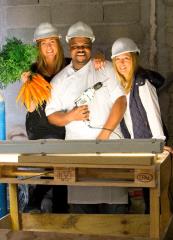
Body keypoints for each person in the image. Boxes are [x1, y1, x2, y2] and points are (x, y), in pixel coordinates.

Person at [45, 21, 128, 213]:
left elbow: (121, 101)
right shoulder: (59, 81)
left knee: (116, 209)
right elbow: (51, 114)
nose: (80, 50)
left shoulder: (105, 68)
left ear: (91, 46)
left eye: (84, 46)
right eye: (75, 46)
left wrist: (105, 134)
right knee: (81, 214)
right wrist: (70, 117)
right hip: (78, 152)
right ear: (69, 47)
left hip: (110, 148)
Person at [111, 37, 167, 213]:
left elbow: (153, 114)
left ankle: (156, 225)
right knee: (143, 187)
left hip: (150, 143)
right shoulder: (120, 85)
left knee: (154, 190)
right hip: (135, 145)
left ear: (134, 59)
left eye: (126, 58)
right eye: (118, 59)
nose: (122, 63)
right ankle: (147, 220)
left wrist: (160, 145)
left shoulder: (142, 83)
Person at [20, 22, 68, 213]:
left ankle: (37, 203)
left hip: (62, 125)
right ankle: (57, 211)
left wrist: (98, 58)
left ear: (58, 43)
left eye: (52, 42)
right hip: (39, 127)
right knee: (58, 167)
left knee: (60, 168)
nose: (49, 47)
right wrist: (25, 84)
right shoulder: (32, 70)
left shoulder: (69, 65)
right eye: (43, 43)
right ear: (38, 48)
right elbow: (31, 107)